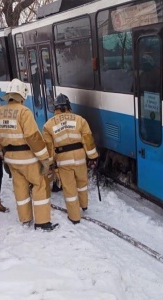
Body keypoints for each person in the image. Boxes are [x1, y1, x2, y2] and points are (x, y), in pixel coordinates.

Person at [0, 78, 59, 231]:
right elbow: (33, 137)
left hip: (11, 158)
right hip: (28, 158)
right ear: (22, 95)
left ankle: (25, 218)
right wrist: (44, 159)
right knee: (39, 185)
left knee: (20, 186)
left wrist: (4, 156)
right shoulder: (24, 112)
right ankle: (42, 222)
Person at [43, 93, 98, 224]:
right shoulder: (80, 120)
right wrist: (93, 157)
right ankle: (84, 205)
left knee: (69, 188)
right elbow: (88, 140)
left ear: (55, 107)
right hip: (79, 156)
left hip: (63, 159)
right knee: (82, 183)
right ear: (68, 106)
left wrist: (50, 163)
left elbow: (49, 147)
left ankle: (74, 217)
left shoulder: (48, 125)